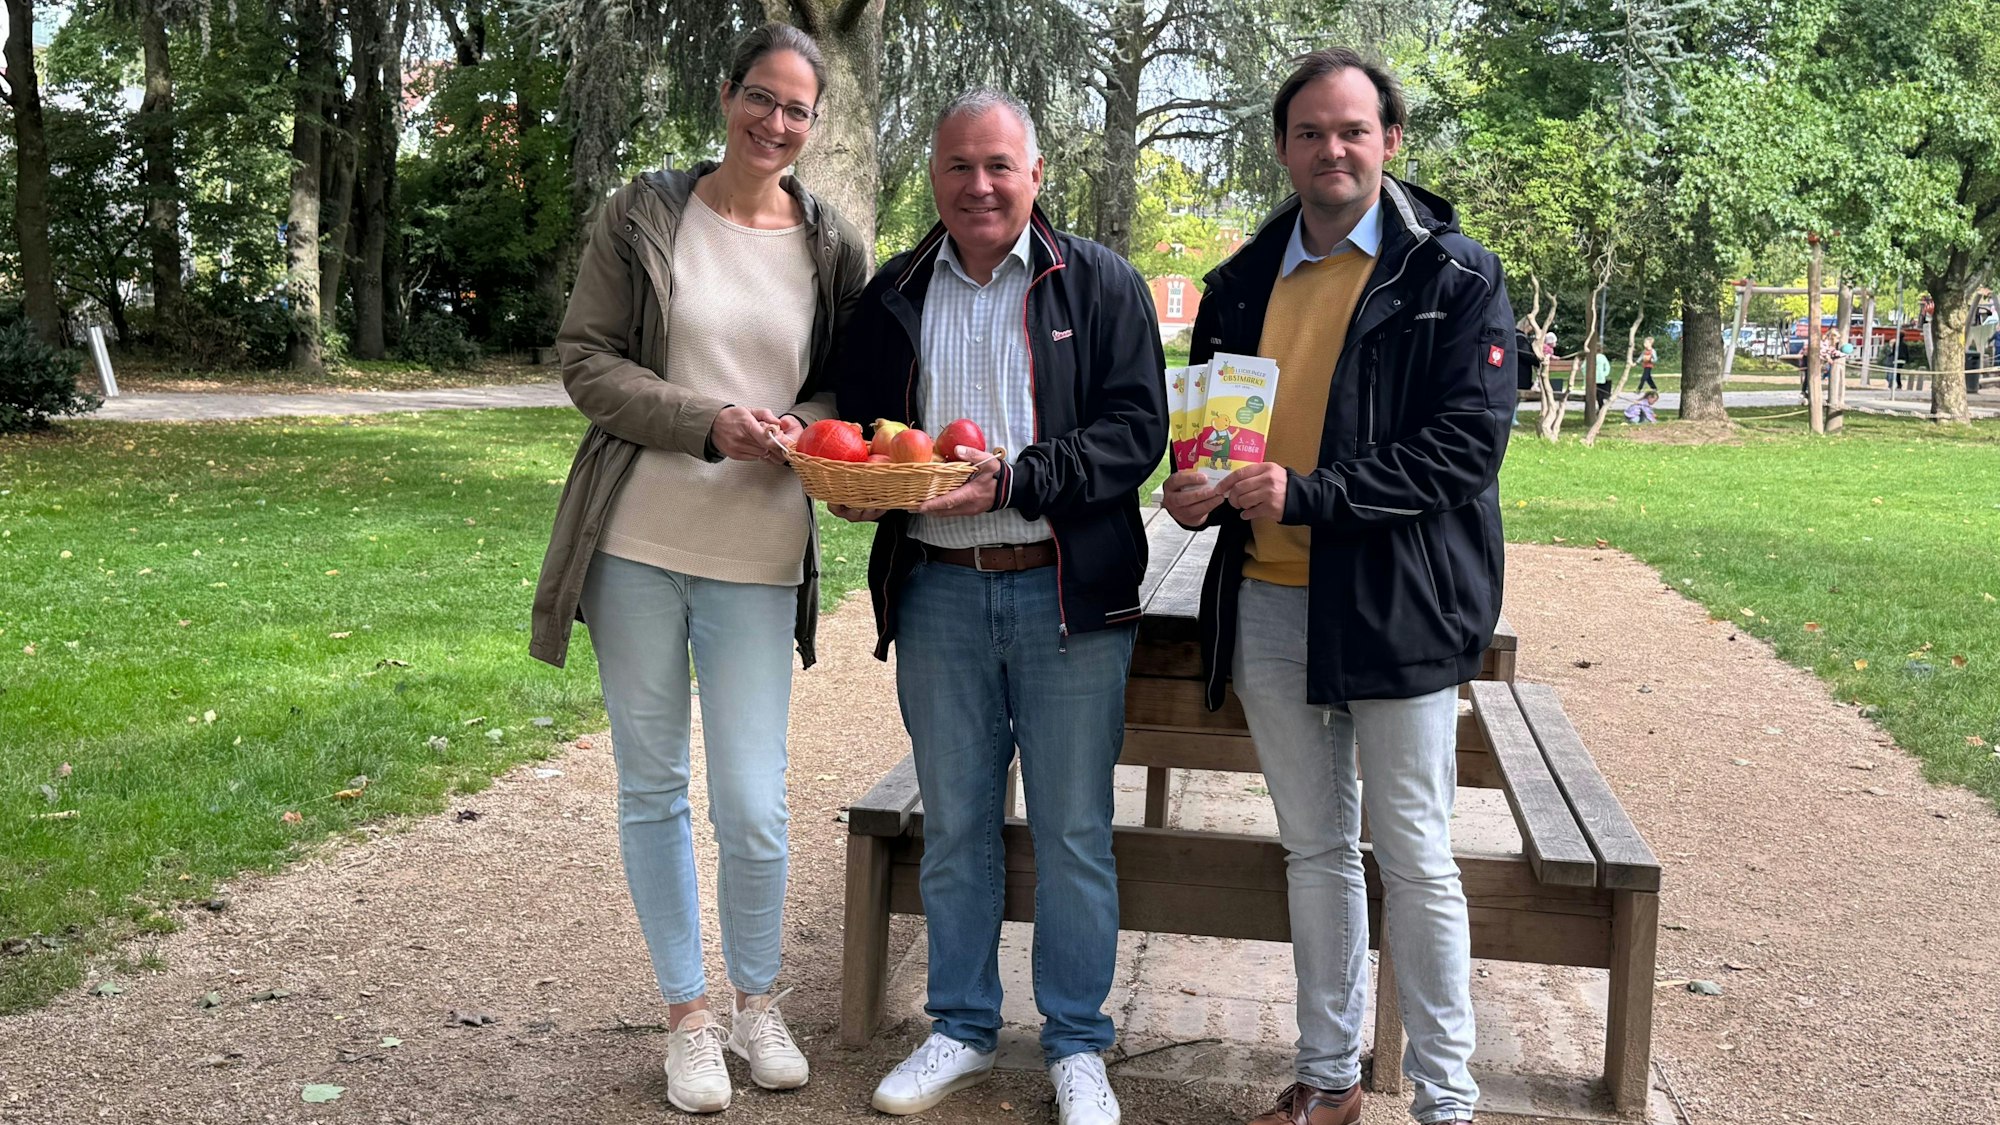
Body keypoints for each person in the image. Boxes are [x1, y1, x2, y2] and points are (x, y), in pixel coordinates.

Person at [1160, 48, 1511, 1125]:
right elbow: (1205, 428)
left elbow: (1465, 449)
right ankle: (1326, 1079)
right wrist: (1191, 489)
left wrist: (1308, 494)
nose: (1331, 150)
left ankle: (1445, 1103)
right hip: (1265, 596)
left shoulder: (1452, 274)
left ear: (1389, 141)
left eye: (1352, 130)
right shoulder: (1234, 285)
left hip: (1396, 602)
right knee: (1312, 849)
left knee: (1413, 855)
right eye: (1308, 132)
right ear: (1282, 148)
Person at [527, 23, 870, 1115]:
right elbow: (586, 359)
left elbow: (849, 387)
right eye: (759, 99)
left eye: (797, 111)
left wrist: (800, 428)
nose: (775, 123)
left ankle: (757, 999)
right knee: (652, 785)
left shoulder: (831, 242)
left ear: (813, 126)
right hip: (634, 538)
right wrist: (704, 421)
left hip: (760, 552)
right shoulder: (642, 214)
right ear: (725, 97)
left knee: (755, 802)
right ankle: (688, 1015)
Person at [828, 89, 1166, 1125]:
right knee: (959, 822)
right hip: (936, 591)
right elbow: (851, 423)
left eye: (997, 166)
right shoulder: (893, 291)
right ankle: (962, 1027)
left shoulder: (1098, 281)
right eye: (957, 166)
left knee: (1071, 830)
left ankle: (1075, 1044)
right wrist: (843, 475)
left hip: (1065, 595)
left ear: (1034, 174)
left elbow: (1133, 434)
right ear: (931, 175)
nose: (978, 185)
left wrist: (1016, 478)